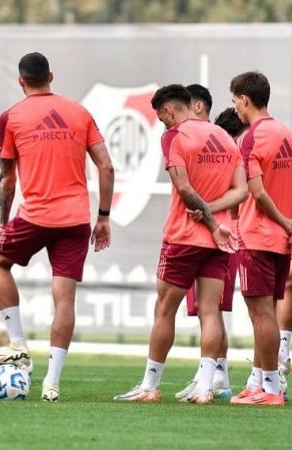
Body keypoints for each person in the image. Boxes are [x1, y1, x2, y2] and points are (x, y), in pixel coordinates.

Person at [0, 52, 115, 402]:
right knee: (64, 298)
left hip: (36, 216)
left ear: (21, 81)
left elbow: (7, 179)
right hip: (76, 218)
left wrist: (2, 224)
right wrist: (103, 216)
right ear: (51, 77)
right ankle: (52, 383)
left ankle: (18, 346)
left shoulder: (11, 117)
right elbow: (106, 166)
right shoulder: (79, 112)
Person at [113, 84, 246, 404]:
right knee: (211, 312)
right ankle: (204, 386)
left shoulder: (175, 137)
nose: (163, 125)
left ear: (169, 111)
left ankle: (149, 386)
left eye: (161, 118)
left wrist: (208, 221)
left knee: (164, 310)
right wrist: (216, 219)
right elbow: (241, 190)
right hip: (219, 241)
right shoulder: (226, 138)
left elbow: (184, 188)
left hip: (184, 237)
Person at [177, 104, 248, 401]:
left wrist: (206, 208)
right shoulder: (228, 162)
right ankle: (217, 375)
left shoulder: (234, 161)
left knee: (211, 311)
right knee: (210, 312)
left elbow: (236, 201)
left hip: (223, 238)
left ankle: (214, 376)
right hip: (218, 237)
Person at [228, 71, 292, 406]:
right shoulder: (285, 132)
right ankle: (260, 381)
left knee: (261, 314)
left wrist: (283, 221)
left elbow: (255, 192)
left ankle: (270, 389)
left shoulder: (249, 138)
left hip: (258, 237)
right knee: (265, 313)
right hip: (281, 242)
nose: (234, 107)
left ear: (245, 99)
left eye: (234, 100)